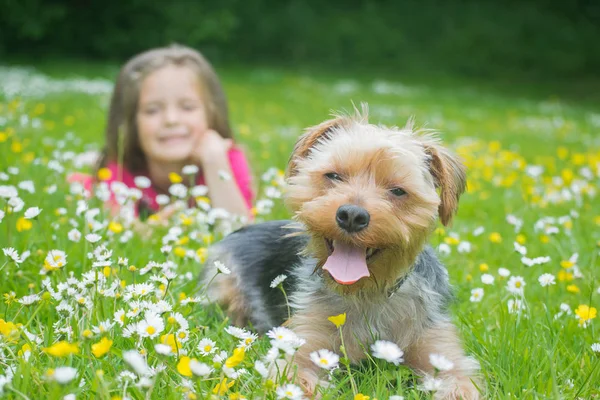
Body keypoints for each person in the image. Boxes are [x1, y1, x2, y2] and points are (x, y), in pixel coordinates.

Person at [70, 44, 253, 221]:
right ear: (131, 122)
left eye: (187, 107)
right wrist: (148, 231)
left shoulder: (226, 159)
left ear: (211, 113)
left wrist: (214, 161)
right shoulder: (121, 168)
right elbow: (115, 228)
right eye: (152, 110)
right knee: (81, 186)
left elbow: (239, 228)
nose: (171, 120)